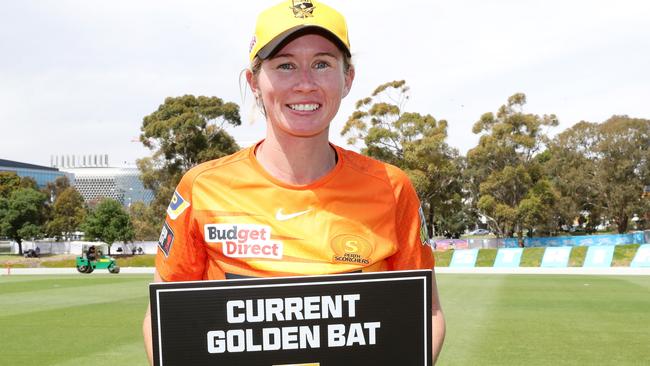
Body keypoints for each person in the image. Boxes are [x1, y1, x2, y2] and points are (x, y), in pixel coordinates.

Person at [143, 0, 445, 363]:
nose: (305, 83)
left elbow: (426, 315)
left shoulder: (391, 187)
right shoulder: (202, 187)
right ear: (254, 81)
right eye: (285, 65)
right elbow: (164, 320)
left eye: (322, 64)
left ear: (347, 78)